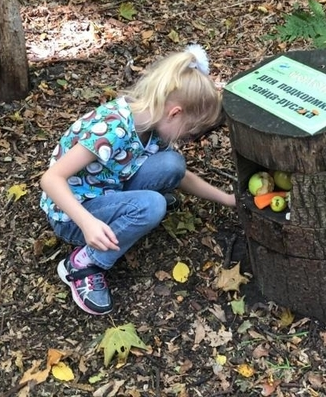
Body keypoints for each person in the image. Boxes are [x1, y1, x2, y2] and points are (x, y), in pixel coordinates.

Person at [39, 44, 236, 315]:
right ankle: (83, 264)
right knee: (153, 206)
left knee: (173, 163)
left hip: (107, 189)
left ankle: (132, 208)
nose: (186, 139)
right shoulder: (112, 128)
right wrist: (87, 224)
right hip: (72, 213)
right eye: (189, 131)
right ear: (175, 112)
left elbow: (181, 176)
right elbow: (51, 179)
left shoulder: (152, 124)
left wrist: (226, 199)